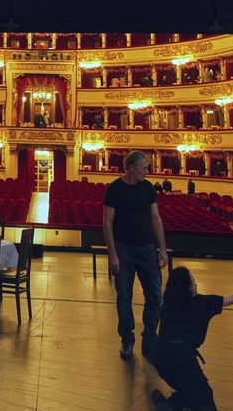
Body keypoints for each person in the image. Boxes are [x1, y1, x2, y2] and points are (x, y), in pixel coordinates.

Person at [151, 267, 233, 410]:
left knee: (191, 389)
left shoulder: (167, 304)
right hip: (181, 357)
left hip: (158, 354)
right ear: (187, 286)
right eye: (193, 280)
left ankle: (168, 404)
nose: (196, 283)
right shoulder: (203, 302)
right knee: (205, 398)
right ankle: (170, 406)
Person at [103, 150, 168, 360]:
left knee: (155, 295)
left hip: (147, 247)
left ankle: (149, 338)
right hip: (124, 249)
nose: (147, 172)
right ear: (131, 168)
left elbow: (156, 219)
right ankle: (127, 339)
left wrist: (162, 250)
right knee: (124, 297)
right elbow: (107, 223)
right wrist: (112, 254)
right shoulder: (115, 189)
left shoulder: (148, 188)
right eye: (144, 168)